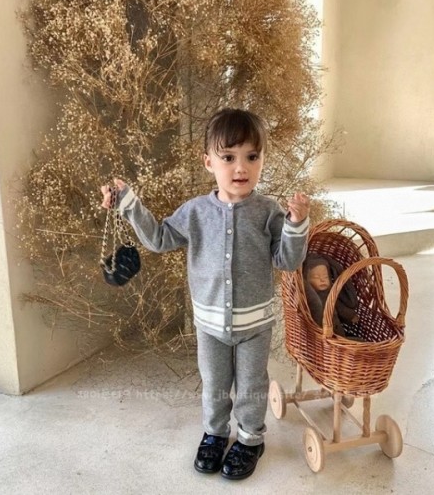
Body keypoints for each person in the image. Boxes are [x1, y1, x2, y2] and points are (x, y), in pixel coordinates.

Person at [101, 108, 310, 480]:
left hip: (255, 325)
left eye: (252, 156)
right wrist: (128, 203)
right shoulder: (195, 212)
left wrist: (297, 224)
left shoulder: (268, 211)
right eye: (228, 157)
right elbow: (159, 238)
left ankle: (250, 439)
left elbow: (288, 261)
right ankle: (215, 434)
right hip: (210, 324)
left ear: (262, 159)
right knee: (214, 384)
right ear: (209, 162)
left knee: (251, 385)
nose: (240, 167)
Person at [302, 254, 360, 337]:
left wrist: (350, 315)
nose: (322, 280)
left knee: (351, 340)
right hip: (319, 334)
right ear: (307, 280)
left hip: (338, 332)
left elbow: (340, 308)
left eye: (325, 277)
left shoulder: (331, 295)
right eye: (316, 277)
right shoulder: (309, 299)